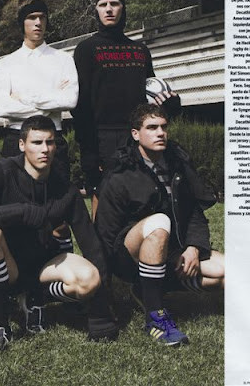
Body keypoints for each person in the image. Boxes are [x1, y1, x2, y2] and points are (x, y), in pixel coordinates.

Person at [0, 115, 117, 357]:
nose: (45, 149)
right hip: (9, 264)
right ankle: (1, 326)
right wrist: (19, 211)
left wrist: (101, 310)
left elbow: (91, 244)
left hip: (44, 264)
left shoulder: (64, 188)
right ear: (22, 145)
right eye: (37, 142)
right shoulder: (3, 171)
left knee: (88, 279)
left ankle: (36, 297)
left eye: (50, 142)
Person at [95, 104, 224, 346]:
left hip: (171, 249)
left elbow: (194, 212)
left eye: (164, 127)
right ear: (136, 134)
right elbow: (104, 233)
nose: (160, 133)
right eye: (152, 127)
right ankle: (155, 317)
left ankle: (151, 287)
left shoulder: (177, 163)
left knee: (224, 273)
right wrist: (103, 291)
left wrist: (193, 248)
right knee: (159, 222)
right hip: (129, 254)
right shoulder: (121, 172)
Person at [72, 0, 179, 218]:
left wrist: (170, 105)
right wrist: (89, 151)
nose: (109, 9)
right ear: (96, 10)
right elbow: (81, 105)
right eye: (103, 5)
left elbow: (150, 98)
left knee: (143, 201)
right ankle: (101, 244)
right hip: (103, 137)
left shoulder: (140, 50)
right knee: (104, 202)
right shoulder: (86, 49)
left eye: (114, 3)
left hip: (137, 136)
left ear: (123, 8)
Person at [0, 0, 78, 254]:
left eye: (42, 17)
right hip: (15, 140)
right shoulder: (7, 63)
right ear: (22, 23)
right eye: (32, 18)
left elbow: (70, 100)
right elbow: (3, 107)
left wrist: (27, 99)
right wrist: (51, 98)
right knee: (16, 213)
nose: (38, 23)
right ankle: (22, 273)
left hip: (53, 141)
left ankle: (64, 269)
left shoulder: (63, 59)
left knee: (59, 215)